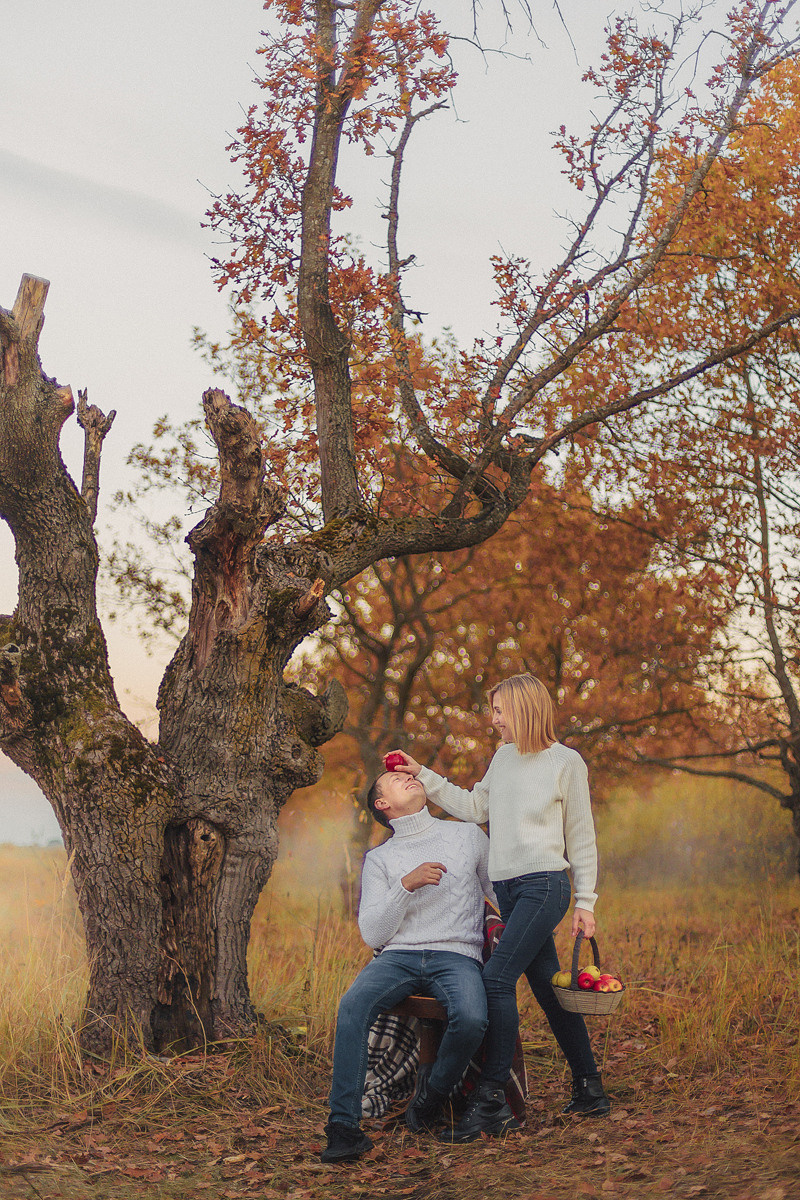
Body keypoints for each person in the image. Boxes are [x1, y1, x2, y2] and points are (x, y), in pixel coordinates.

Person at [385, 672, 610, 1143]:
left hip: (545, 887)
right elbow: (472, 807)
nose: (494, 721)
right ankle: (590, 1088)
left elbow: (582, 835)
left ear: (523, 709)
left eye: (499, 711)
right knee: (550, 988)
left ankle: (491, 1102)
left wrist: (585, 901)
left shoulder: (565, 763)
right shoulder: (503, 759)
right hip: (510, 892)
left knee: (496, 979)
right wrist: (420, 772)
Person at [320, 768, 519, 1164]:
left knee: (471, 1016)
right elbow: (373, 934)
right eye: (394, 780)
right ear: (382, 805)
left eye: (408, 775)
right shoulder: (380, 859)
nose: (407, 777)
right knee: (352, 1008)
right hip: (398, 956)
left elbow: (497, 890)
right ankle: (343, 1127)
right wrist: (404, 885)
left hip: (456, 954)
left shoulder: (465, 835)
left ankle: (428, 1099)